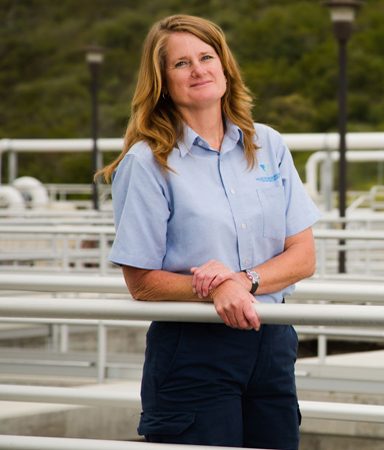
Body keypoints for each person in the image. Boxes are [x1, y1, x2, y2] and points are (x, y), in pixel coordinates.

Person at [98, 15, 319, 449]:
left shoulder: (268, 144)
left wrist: (240, 282)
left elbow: (303, 256)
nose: (198, 70)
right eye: (181, 64)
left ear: (224, 66)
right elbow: (140, 283)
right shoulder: (146, 163)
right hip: (193, 349)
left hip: (271, 342)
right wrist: (212, 291)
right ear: (161, 81)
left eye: (206, 56)